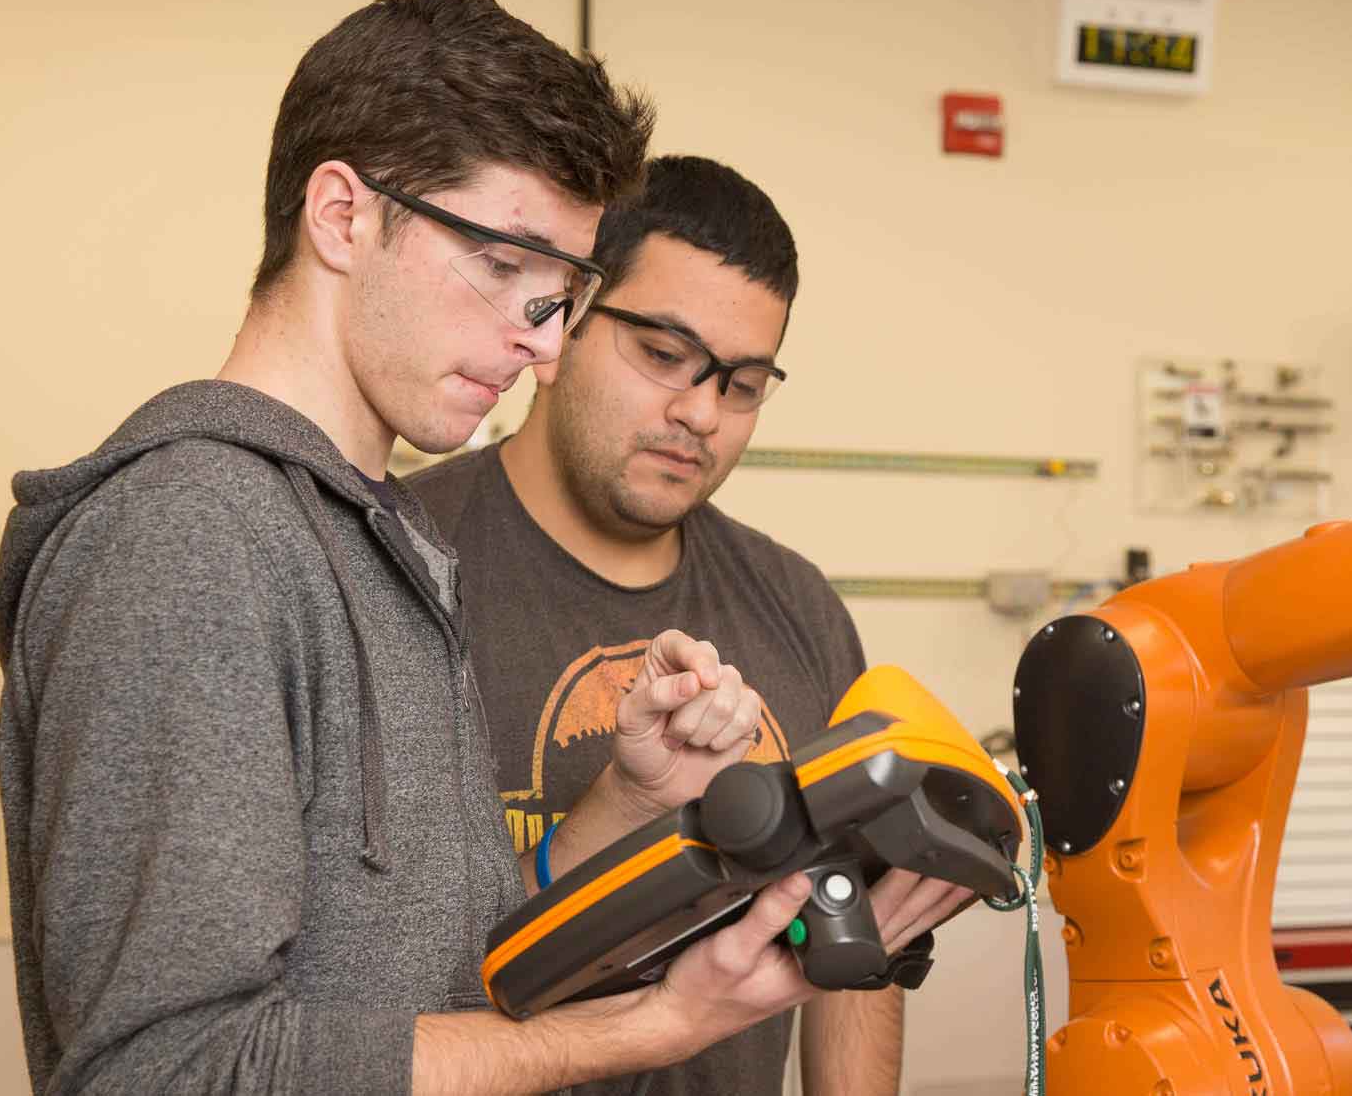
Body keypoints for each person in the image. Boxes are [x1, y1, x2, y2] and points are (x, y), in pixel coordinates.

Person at [0, 0, 950, 1095]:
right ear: (343, 216)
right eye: (503, 266)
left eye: (559, 296)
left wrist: (628, 802)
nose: (537, 349)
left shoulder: (376, 539)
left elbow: (451, 969)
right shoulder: (188, 535)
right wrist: (644, 1028)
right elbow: (168, 1070)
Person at [409, 155, 963, 1096]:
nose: (699, 412)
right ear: (563, 320)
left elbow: (849, 952)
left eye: (741, 384)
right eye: (663, 355)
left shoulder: (799, 608)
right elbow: (358, 996)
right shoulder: (403, 563)